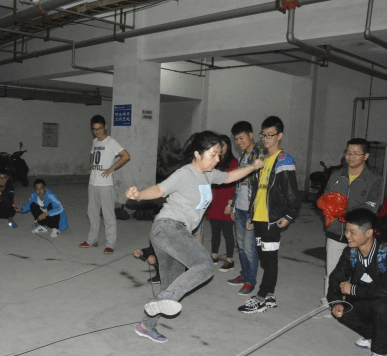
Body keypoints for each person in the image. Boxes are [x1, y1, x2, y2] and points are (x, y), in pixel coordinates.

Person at [126, 131, 264, 343]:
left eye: (219, 155)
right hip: (168, 228)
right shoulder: (184, 173)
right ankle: (162, 301)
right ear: (198, 154)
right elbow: (160, 189)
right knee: (205, 265)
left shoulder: (209, 174)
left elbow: (229, 176)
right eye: (213, 154)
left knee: (170, 286)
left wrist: (253, 167)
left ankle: (145, 326)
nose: (217, 159)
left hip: (171, 233)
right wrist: (138, 195)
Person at [327, 209, 387, 356]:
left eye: (352, 232)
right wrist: (336, 302)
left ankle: (381, 352)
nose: (347, 235)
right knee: (343, 311)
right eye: (346, 230)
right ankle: (373, 335)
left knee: (381, 305)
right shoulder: (350, 252)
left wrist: (354, 290)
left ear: (369, 233)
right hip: (370, 300)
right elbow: (336, 278)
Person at [238, 116, 301, 314]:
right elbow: (257, 190)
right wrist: (251, 215)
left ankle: (261, 297)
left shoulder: (284, 160)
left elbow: (291, 191)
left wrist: (289, 215)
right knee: (264, 259)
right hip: (259, 217)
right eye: (263, 135)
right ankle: (270, 297)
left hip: (272, 219)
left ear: (280, 136)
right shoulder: (262, 159)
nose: (265, 139)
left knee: (270, 259)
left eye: (270, 135)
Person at [323, 138, 382, 294]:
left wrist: (345, 212)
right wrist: (328, 206)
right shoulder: (336, 175)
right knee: (333, 272)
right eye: (348, 153)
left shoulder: (374, 179)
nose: (351, 157)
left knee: (359, 275)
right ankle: (330, 302)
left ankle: (354, 304)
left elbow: (372, 207)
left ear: (366, 156)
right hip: (336, 232)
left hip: (359, 236)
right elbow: (326, 197)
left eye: (356, 153)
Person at [79, 115, 130, 255]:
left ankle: (110, 244)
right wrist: (91, 166)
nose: (97, 131)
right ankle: (92, 239)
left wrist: (111, 169)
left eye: (100, 128)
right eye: (94, 129)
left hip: (105, 184)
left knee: (108, 214)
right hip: (93, 183)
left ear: (105, 127)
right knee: (92, 213)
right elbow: (92, 154)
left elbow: (126, 156)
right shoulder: (95, 141)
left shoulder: (111, 142)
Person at [227, 121, 266, 295]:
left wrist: (254, 214)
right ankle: (244, 275)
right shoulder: (243, 156)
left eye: (241, 138)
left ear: (251, 135)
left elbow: (261, 188)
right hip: (240, 208)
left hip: (252, 211)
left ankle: (250, 281)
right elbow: (238, 184)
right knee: (241, 246)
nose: (238, 142)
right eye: (236, 139)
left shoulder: (261, 156)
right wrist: (234, 206)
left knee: (250, 249)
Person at [205, 134, 238, 273]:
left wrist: (231, 203)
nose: (221, 148)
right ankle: (214, 256)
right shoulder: (215, 161)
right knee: (215, 231)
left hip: (226, 201)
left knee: (228, 232)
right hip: (215, 200)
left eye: (223, 145)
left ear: (228, 146)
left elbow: (235, 184)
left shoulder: (234, 162)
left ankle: (229, 260)